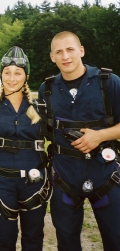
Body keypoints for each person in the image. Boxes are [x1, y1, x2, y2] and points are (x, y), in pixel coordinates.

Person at [38, 31, 120, 251]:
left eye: (70, 49)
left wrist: (101, 135)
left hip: (106, 173)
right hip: (64, 177)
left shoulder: (108, 82)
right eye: (59, 52)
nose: (65, 56)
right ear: (52, 57)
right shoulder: (46, 90)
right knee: (67, 243)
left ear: (81, 51)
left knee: (116, 239)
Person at [0, 46, 51, 251]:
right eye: (7, 72)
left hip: (35, 181)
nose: (12, 78)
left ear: (26, 76)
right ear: (1, 75)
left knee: (33, 237)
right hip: (0, 182)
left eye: (18, 73)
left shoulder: (42, 108)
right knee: (4, 239)